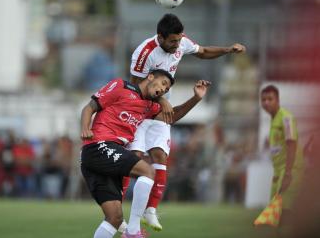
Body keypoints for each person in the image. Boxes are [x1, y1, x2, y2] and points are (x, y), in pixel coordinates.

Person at [124, 13, 246, 231]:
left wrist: (228, 50)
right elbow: (135, 86)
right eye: (173, 41)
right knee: (134, 160)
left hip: (160, 112)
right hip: (139, 111)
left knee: (160, 156)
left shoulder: (180, 43)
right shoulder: (145, 53)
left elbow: (203, 52)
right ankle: (118, 207)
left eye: (179, 40)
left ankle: (150, 209)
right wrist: (161, 99)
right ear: (160, 37)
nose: (177, 45)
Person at [80, 69, 210, 238]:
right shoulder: (121, 86)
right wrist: (85, 128)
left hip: (100, 159)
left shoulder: (150, 106)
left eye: (166, 89)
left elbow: (172, 116)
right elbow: (90, 107)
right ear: (150, 77)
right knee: (147, 171)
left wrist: (196, 98)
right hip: (99, 145)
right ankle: (133, 231)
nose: (163, 89)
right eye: (163, 83)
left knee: (114, 218)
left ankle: (129, 229)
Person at [260, 85, 305, 225]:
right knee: (274, 214)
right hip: (279, 171)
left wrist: (288, 173)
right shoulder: (274, 119)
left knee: (284, 210)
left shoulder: (286, 118)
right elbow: (279, 148)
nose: (266, 102)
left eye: (270, 99)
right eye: (263, 100)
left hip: (291, 170)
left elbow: (292, 144)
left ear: (278, 100)